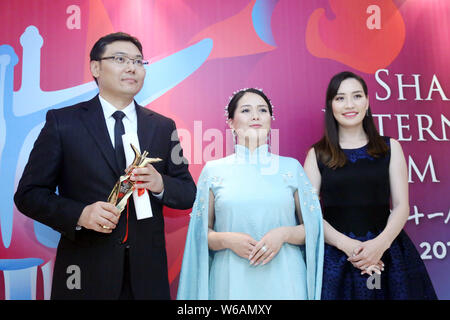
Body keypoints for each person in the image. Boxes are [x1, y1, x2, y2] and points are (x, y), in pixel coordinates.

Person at [14, 32, 196, 299]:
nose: (132, 67)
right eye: (120, 59)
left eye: (138, 61)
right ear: (95, 67)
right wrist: (80, 214)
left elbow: (188, 192)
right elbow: (28, 195)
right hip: (85, 273)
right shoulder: (63, 123)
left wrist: (160, 184)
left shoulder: (162, 127)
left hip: (147, 277)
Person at [177, 88, 323, 300]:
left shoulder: (291, 168)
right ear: (231, 122)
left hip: (286, 278)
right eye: (246, 110)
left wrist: (283, 234)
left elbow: (312, 228)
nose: (255, 116)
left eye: (262, 110)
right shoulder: (213, 171)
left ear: (271, 119)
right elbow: (200, 233)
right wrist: (227, 239)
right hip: (230, 280)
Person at [303, 71, 437, 299]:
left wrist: (379, 246)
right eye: (340, 98)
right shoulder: (317, 155)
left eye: (356, 96)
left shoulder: (390, 147)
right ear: (331, 105)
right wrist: (348, 246)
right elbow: (310, 213)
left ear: (367, 101)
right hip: (337, 256)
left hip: (388, 254)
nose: (349, 105)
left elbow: (402, 206)